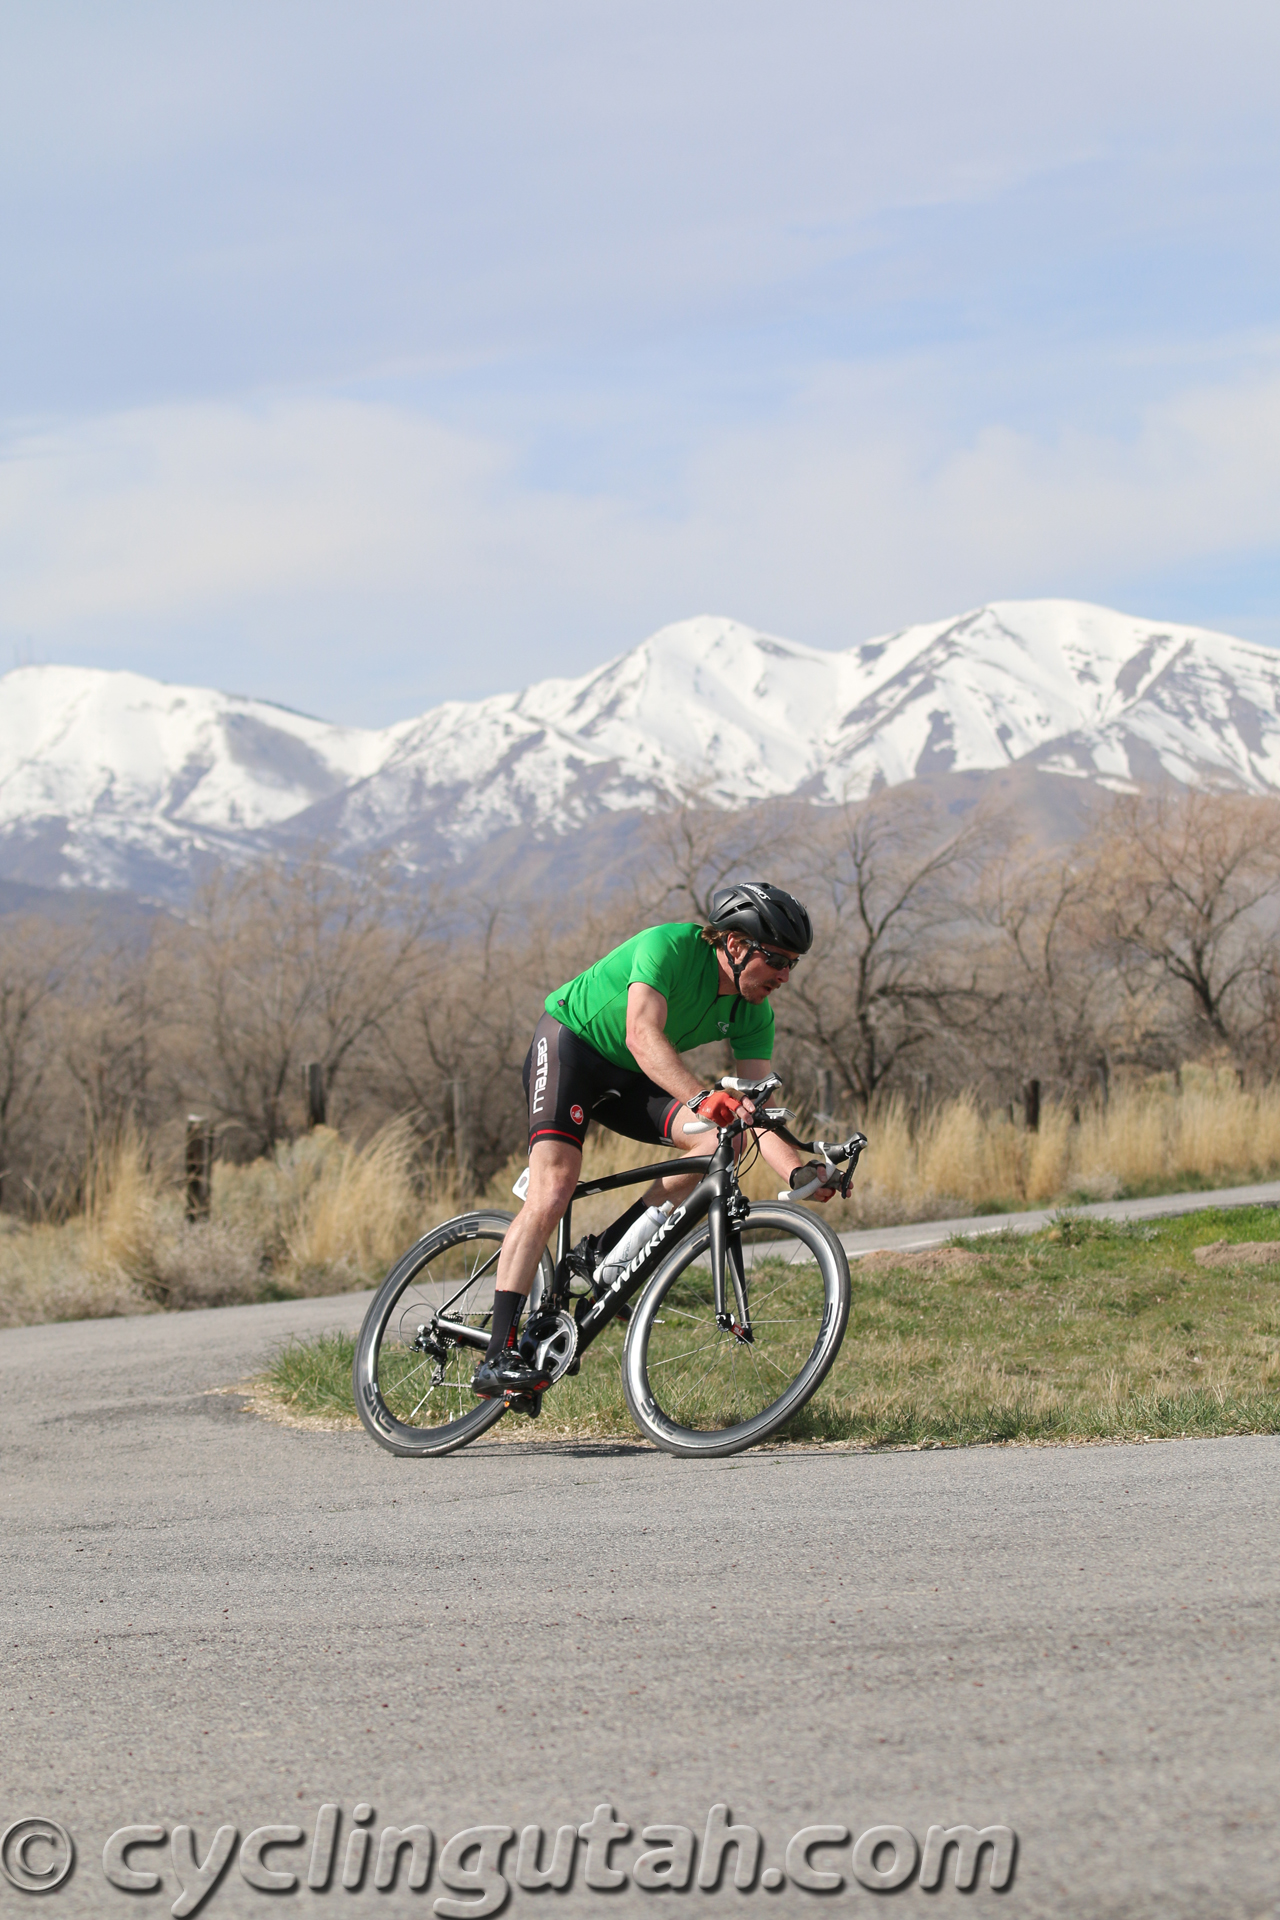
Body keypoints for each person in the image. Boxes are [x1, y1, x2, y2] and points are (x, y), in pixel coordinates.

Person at [472, 881, 838, 1401]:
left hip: (631, 1079)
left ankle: (604, 1256)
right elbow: (642, 1036)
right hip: (572, 1047)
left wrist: (798, 1173)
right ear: (735, 945)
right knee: (553, 1188)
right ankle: (496, 1355)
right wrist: (700, 1097)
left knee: (722, 1144)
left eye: (792, 964)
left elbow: (753, 1111)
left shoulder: (754, 1012)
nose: (783, 975)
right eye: (776, 959)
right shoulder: (667, 946)